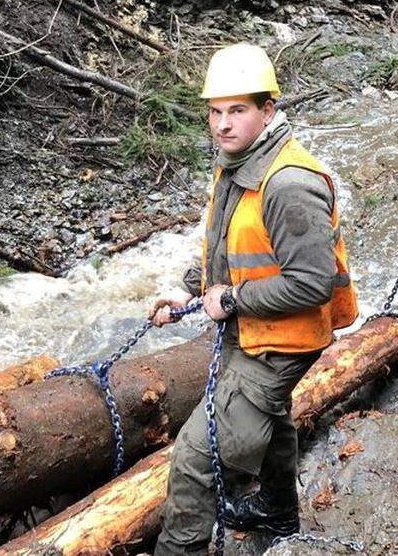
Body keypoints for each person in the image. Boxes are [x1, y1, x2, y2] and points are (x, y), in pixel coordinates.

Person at [149, 43, 358, 555]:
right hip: (258, 326)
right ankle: (279, 512)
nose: (222, 124)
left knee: (197, 457)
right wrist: (188, 289)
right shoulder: (236, 162)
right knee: (273, 418)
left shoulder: (288, 183)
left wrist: (236, 301)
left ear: (268, 111)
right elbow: (228, 244)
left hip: (284, 339)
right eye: (215, 112)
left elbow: (311, 282)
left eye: (237, 110)